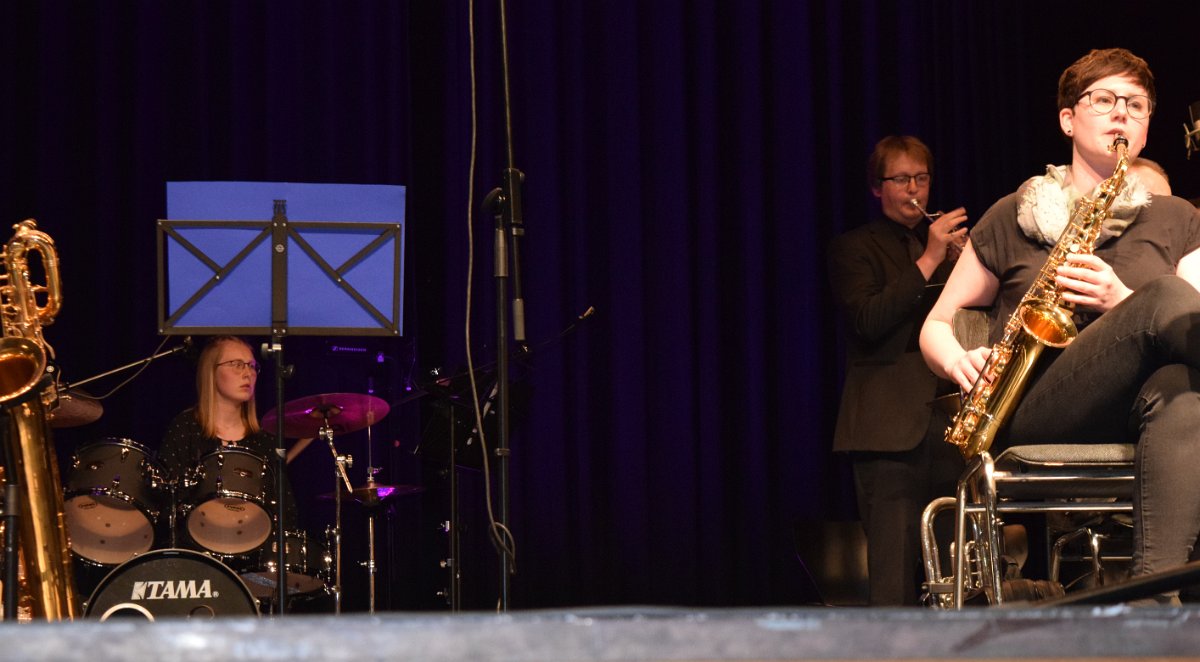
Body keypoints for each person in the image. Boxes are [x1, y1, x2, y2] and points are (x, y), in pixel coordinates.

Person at [919, 48, 1200, 605]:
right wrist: (958, 360)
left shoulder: (1178, 217)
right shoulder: (1011, 214)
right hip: (1037, 405)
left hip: (1140, 408)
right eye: (1104, 99)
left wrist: (1120, 300)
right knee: (1167, 295)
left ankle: (1149, 609)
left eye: (1136, 105)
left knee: (1184, 394)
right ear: (1068, 119)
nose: (1121, 113)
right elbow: (936, 324)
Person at [827, 135, 971, 605]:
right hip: (886, 430)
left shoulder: (950, 254)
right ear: (877, 187)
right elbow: (868, 322)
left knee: (959, 570)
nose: (914, 189)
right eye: (902, 179)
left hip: (951, 425)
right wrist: (930, 259)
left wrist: (970, 267)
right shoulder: (854, 248)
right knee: (893, 578)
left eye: (922, 178)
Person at [158, 335, 302, 555]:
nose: (248, 373)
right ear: (211, 371)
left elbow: (286, 511)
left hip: (253, 554)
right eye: (236, 364)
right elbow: (165, 502)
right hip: (195, 555)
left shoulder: (264, 439)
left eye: (252, 366)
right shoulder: (186, 428)